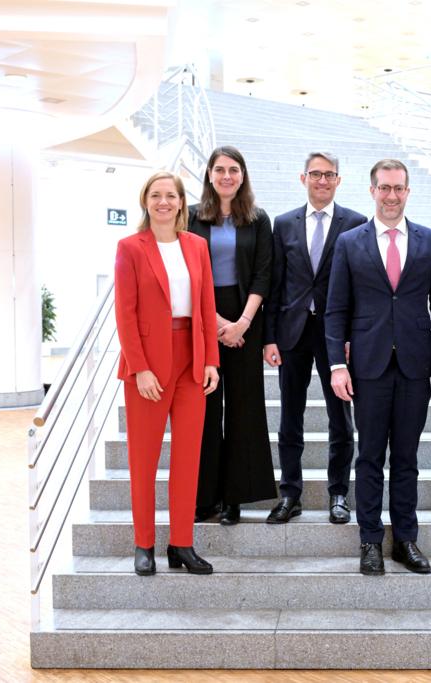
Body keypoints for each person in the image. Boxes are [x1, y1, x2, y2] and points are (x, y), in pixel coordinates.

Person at [325, 158, 431, 576]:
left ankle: (405, 539)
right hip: (368, 365)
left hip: (415, 365)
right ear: (372, 191)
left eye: (399, 188)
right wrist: (336, 365)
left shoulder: (429, 240)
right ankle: (370, 541)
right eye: (384, 187)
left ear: (408, 192)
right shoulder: (350, 242)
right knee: (368, 457)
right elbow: (335, 310)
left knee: (406, 458)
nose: (391, 195)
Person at [114, 171, 220, 576]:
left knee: (188, 458)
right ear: (146, 201)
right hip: (148, 365)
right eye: (156, 195)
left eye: (171, 195)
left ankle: (182, 543)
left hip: (190, 360)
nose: (163, 202)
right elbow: (124, 313)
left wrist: (210, 359)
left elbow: (206, 305)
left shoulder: (196, 246)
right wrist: (139, 368)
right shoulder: (130, 247)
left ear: (181, 203)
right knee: (144, 458)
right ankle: (144, 544)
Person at [263, 152, 368, 525]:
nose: (322, 181)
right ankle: (290, 494)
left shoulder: (355, 222)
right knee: (290, 416)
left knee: (341, 417)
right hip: (292, 332)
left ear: (338, 180)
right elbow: (275, 283)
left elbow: (360, 286)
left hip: (335, 334)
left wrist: (353, 336)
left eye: (329, 175)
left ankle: (339, 493)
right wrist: (269, 336)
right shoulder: (284, 223)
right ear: (302, 177)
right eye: (315, 174)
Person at [188, 146, 277, 525]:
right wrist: (217, 322)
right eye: (220, 169)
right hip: (203, 318)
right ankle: (205, 496)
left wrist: (241, 323)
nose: (227, 176)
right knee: (205, 410)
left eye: (234, 170)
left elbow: (263, 273)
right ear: (209, 174)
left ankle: (235, 498)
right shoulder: (190, 216)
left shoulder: (257, 219)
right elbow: (189, 273)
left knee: (243, 409)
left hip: (246, 318)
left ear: (243, 175)